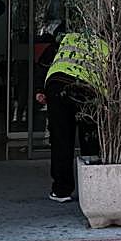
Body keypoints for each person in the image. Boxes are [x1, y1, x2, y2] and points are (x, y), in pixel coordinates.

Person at [34, 30, 106, 203]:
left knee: (61, 139)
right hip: (86, 90)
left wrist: (39, 89)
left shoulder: (67, 39)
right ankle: (91, 189)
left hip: (57, 85)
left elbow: (44, 62)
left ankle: (61, 190)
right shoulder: (104, 46)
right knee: (89, 140)